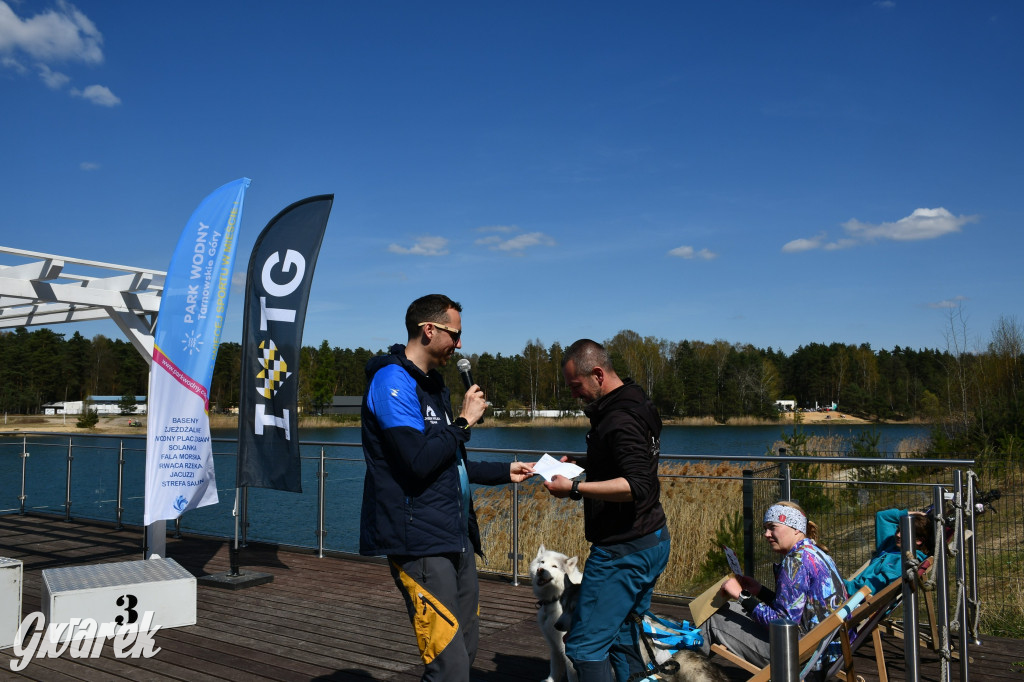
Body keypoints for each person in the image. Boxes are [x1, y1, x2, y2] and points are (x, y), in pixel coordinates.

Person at [359, 294, 533, 682]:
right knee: (448, 666)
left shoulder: (433, 384)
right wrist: (463, 423)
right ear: (429, 330)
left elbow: (448, 462)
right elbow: (417, 460)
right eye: (455, 335)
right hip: (418, 539)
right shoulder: (392, 381)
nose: (459, 345)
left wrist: (507, 470)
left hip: (454, 534)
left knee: (465, 651)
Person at [542, 339, 671, 682]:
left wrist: (573, 487)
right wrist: (584, 463)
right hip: (651, 538)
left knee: (584, 646)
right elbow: (628, 460)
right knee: (625, 631)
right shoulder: (633, 400)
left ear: (597, 374)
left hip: (623, 549)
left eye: (576, 386)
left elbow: (635, 486)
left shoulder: (619, 418)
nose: (574, 395)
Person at [699, 501, 848, 678]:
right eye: (765, 528)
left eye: (772, 527)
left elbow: (783, 623)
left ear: (795, 528)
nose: (766, 534)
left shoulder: (795, 562)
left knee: (714, 618)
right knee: (731, 608)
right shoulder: (815, 553)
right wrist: (760, 591)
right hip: (825, 652)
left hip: (801, 660)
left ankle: (687, 671)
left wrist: (742, 595)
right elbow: (796, 608)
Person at [845, 508, 934, 596]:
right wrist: (919, 514)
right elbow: (882, 516)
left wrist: (842, 585)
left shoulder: (903, 563)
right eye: (898, 530)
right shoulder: (891, 546)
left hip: (851, 598)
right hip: (850, 591)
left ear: (918, 540)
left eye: (903, 532)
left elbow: (867, 590)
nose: (898, 535)